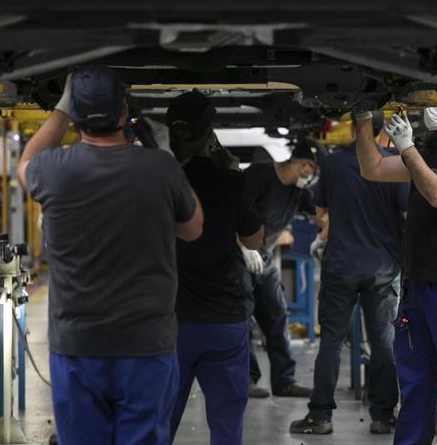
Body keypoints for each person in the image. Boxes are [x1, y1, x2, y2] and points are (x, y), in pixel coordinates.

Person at [17, 66, 203, 444]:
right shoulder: (161, 168)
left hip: (78, 346)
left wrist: (61, 110)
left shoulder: (53, 170)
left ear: (77, 118)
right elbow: (193, 228)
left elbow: (24, 163)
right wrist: (165, 162)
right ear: (124, 113)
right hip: (146, 345)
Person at [355, 106, 437, 445]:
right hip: (417, 286)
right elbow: (372, 169)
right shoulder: (431, 149)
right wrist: (361, 120)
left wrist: (407, 147)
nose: (431, 107)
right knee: (414, 379)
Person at [290, 115, 408, 436]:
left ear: (355, 128)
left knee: (331, 342)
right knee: (383, 343)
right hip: (383, 268)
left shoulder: (333, 162)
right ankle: (383, 416)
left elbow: (321, 211)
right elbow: (406, 213)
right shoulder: (396, 165)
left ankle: (320, 416)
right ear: (383, 129)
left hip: (341, 265)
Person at [166, 91, 264, 444]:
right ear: (211, 134)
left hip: (173, 324)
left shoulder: (165, 181)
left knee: (160, 423)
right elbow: (254, 241)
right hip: (225, 321)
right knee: (226, 428)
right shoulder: (232, 181)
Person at [242, 139, 321, 398]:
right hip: (239, 256)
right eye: (312, 171)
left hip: (263, 258)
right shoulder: (259, 174)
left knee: (276, 316)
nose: (311, 178)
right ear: (301, 164)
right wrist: (244, 247)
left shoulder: (298, 191)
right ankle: (246, 380)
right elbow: (234, 211)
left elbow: (319, 213)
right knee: (242, 318)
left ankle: (284, 380)